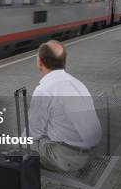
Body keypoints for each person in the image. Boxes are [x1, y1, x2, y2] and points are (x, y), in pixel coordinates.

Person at [28, 40, 101, 172]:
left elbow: (33, 133)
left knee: (22, 144)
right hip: (91, 152)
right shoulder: (77, 83)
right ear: (64, 62)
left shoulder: (44, 90)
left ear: (39, 61)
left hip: (69, 159)